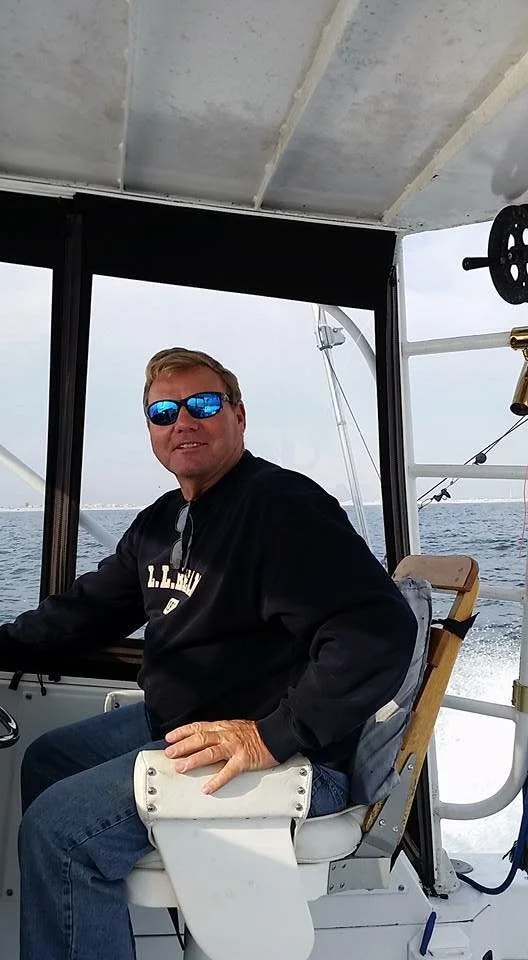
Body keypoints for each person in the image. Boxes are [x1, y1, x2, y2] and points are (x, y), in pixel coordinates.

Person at [0, 347, 417, 960]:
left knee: (59, 832)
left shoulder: (283, 508)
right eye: (164, 412)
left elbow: (379, 629)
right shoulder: (162, 522)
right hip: (180, 728)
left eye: (202, 405)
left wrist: (271, 736)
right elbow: (87, 611)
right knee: (47, 760)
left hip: (283, 760)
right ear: (150, 430)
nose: (183, 423)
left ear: (239, 416)